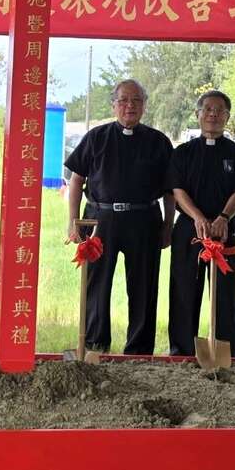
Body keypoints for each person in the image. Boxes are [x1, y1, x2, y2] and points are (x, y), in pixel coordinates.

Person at [64, 79, 175, 354]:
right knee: (96, 284)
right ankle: (95, 344)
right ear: (113, 104)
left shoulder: (158, 142)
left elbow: (170, 190)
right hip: (100, 220)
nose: (130, 106)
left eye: (136, 100)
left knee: (144, 286)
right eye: (123, 100)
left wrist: (168, 225)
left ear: (144, 106)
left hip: (145, 220)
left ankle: (139, 349)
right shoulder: (96, 137)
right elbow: (76, 180)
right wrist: (73, 221)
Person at [165, 90, 235, 357]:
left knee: (227, 297)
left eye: (219, 111)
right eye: (207, 109)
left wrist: (223, 217)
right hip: (190, 231)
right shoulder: (182, 153)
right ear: (198, 114)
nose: (213, 115)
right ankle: (181, 352)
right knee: (183, 293)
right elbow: (177, 190)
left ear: (227, 116)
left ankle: (226, 354)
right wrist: (198, 217)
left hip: (226, 232)